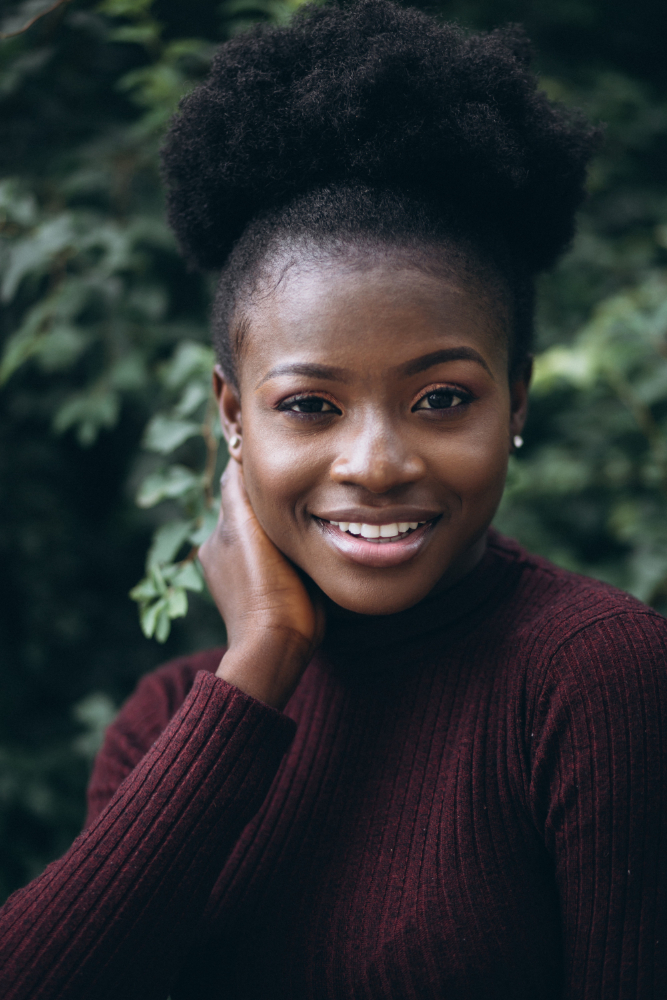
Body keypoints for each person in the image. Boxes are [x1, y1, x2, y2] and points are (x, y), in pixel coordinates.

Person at [1, 1, 665, 997]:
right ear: (232, 414)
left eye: (442, 398)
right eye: (310, 404)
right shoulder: (170, 721)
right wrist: (258, 664)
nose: (376, 461)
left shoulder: (594, 678)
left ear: (516, 398)